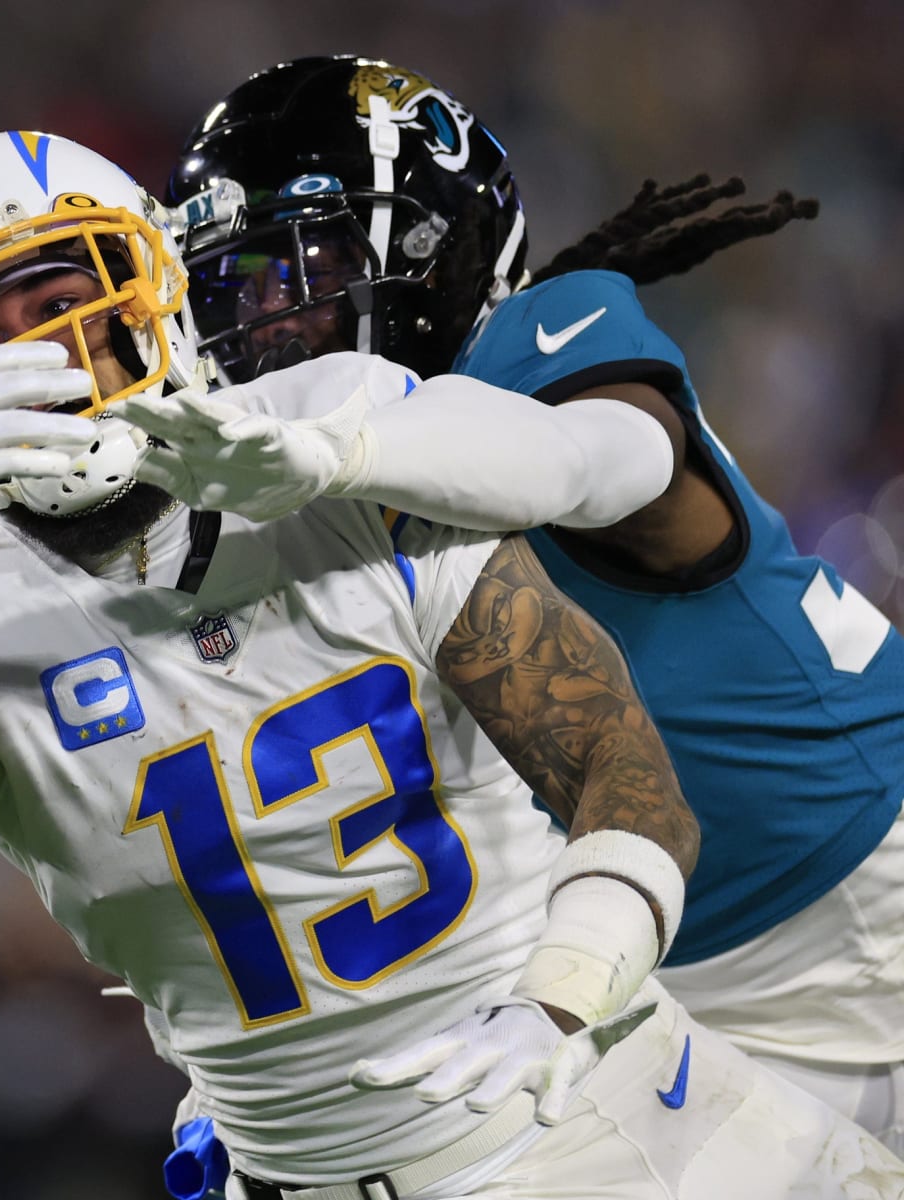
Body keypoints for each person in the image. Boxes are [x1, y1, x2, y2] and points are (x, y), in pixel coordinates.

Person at [0, 129, 904, 1198]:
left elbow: (623, 769)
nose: (39, 358)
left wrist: (560, 1001)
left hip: (595, 1119)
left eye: (64, 301)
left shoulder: (337, 434)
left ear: (147, 291)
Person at [162, 54, 904, 1157]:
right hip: (642, 956)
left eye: (300, 264)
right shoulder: (308, 499)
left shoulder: (542, 344)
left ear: (428, 246)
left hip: (850, 909)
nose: (265, 316)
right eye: (236, 283)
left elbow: (574, 462)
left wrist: (335, 449)